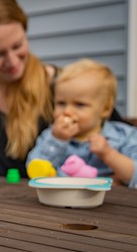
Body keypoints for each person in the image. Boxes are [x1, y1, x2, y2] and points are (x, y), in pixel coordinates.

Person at [0, 0, 124, 178]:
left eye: (17, 46)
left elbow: (124, 149)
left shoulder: (70, 90)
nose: (12, 62)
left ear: (25, 30)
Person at [27, 59, 137, 188]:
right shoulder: (51, 136)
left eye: (79, 105)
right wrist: (57, 141)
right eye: (61, 103)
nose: (67, 111)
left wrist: (108, 154)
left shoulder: (123, 136)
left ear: (105, 109)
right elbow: (34, 169)